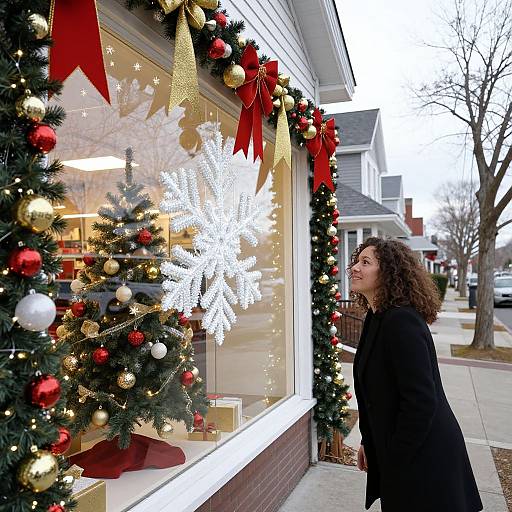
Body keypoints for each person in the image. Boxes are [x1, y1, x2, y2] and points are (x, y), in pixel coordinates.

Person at [349, 237, 483, 512]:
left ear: (388, 272)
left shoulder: (401, 322)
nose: (354, 268)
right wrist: (369, 442)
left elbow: (421, 401)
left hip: (425, 454)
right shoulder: (376, 317)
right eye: (356, 261)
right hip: (404, 450)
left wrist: (395, 458)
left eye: (365, 262)